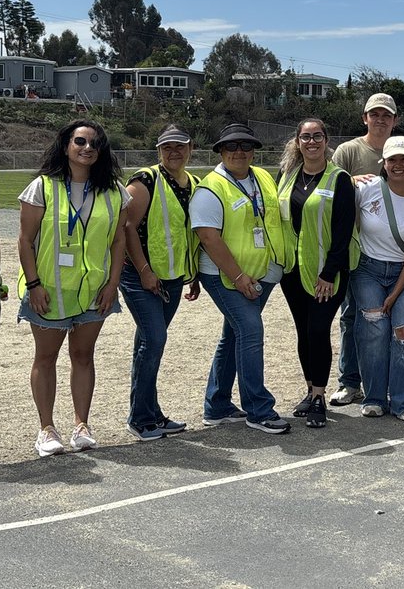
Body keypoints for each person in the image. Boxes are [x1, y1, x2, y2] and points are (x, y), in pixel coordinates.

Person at [17, 120, 129, 456]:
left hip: (95, 291)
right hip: (50, 290)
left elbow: (118, 240)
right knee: (46, 357)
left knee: (83, 356)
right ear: (66, 145)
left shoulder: (114, 191)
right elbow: (24, 240)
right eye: (80, 141)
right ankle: (46, 429)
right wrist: (34, 284)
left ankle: (82, 424)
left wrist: (113, 285)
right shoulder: (42, 187)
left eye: (95, 144)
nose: (87, 148)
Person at [190, 123, 290, 435]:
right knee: (249, 330)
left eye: (246, 146)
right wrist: (238, 276)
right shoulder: (210, 188)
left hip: (260, 270)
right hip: (224, 274)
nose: (239, 151)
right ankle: (258, 409)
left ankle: (217, 405)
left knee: (234, 335)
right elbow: (208, 237)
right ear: (220, 150)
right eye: (231, 146)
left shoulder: (261, 177)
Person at [119, 124, 200, 441]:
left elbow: (187, 232)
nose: (174, 152)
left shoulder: (193, 183)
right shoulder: (144, 181)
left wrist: (191, 274)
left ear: (190, 148)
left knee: (148, 342)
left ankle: (151, 413)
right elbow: (127, 228)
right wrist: (143, 271)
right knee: (154, 340)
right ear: (159, 151)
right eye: (167, 147)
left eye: (179, 146)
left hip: (174, 275)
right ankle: (140, 417)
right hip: (141, 276)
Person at [277, 118, 357, 428]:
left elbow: (342, 232)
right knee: (302, 331)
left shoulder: (339, 179)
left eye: (318, 136)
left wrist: (328, 273)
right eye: (306, 137)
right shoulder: (286, 176)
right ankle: (310, 390)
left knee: (317, 330)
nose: (312, 142)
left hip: (327, 272)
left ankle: (320, 396)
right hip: (293, 270)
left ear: (326, 140)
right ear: (297, 142)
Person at [352, 136, 404, 421]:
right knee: (374, 330)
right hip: (368, 270)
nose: (398, 165)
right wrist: (349, 178)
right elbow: (336, 192)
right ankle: (375, 397)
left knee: (403, 330)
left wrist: (395, 293)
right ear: (383, 164)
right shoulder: (366, 190)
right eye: (392, 160)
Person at [328, 92, 399, 406]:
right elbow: (326, 187)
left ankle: (386, 381)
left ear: (394, 120)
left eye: (386, 115)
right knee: (352, 316)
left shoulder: (401, 149)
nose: (381, 120)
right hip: (356, 248)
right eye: (375, 114)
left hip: (392, 250)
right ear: (365, 118)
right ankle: (350, 381)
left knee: (391, 318)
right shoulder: (349, 150)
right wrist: (350, 180)